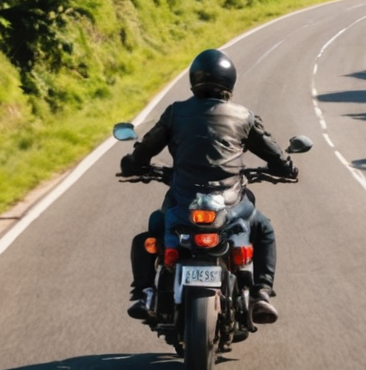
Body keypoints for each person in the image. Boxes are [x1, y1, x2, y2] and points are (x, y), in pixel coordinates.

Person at [121, 48, 298, 324]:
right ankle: (261, 294)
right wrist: (286, 168)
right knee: (263, 229)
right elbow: (273, 153)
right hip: (230, 203)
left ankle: (145, 293)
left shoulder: (175, 113)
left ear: (194, 80)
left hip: (184, 202)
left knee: (153, 228)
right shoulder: (243, 116)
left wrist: (132, 163)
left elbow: (146, 148)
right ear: (229, 82)